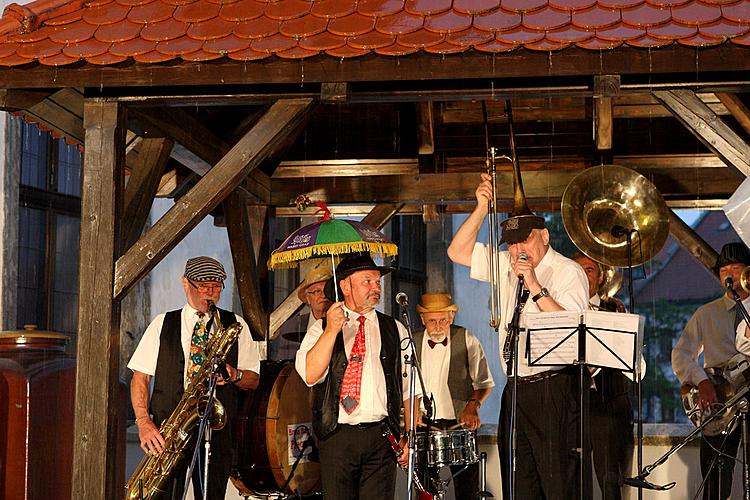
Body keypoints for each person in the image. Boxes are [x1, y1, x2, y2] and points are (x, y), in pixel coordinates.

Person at [447, 173, 589, 499]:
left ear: (545, 236)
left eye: (524, 240)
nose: (517, 249)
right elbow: (457, 251)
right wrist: (482, 207)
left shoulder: (568, 271)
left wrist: (536, 285)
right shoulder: (505, 264)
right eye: (511, 243)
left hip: (553, 388)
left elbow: (571, 329)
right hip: (516, 387)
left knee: (558, 483)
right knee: (519, 481)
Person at [128, 256, 260, 499]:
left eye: (216, 286)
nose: (210, 293)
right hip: (169, 431)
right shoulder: (162, 324)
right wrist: (144, 422)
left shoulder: (235, 325)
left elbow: (253, 379)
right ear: (185, 284)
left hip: (216, 432)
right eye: (202, 286)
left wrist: (234, 374)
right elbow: (140, 377)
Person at [295, 252, 420, 500]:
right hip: (338, 436)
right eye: (367, 281)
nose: (375, 288)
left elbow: (409, 388)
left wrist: (410, 436)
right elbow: (310, 375)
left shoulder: (395, 328)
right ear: (345, 286)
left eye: (377, 282)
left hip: (382, 437)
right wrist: (331, 330)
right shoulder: (320, 329)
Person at [673, 242, 750, 500]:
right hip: (719, 399)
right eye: (723, 269)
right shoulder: (706, 313)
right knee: (716, 474)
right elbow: (681, 354)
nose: (728, 274)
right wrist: (702, 381)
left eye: (735, 267)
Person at [413, 292, 494, 499]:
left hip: (459, 424)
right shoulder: (411, 342)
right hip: (424, 425)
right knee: (424, 491)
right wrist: (411, 413)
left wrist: (472, 406)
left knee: (467, 488)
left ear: (451, 318)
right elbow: (404, 386)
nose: (438, 326)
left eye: (443, 320)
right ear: (423, 320)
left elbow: (484, 382)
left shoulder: (466, 338)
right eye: (432, 321)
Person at [573, 253, 633, 500]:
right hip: (573, 403)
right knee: (574, 478)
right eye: (576, 269)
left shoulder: (615, 307)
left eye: (588, 269)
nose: (582, 274)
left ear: (600, 278)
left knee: (610, 478)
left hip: (607, 402)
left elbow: (627, 353)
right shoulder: (560, 306)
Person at [271, 265, 332, 360]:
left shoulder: (344, 324)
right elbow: (283, 366)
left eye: (326, 291)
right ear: (308, 298)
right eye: (317, 291)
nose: (323, 295)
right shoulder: (291, 327)